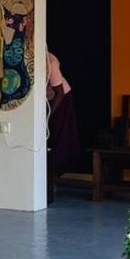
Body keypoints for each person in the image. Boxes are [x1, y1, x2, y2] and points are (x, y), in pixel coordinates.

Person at [46, 46, 80, 181]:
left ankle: (54, 176)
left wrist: (48, 115)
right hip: (46, 99)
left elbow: (59, 93)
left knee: (59, 138)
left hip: (61, 100)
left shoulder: (50, 62)